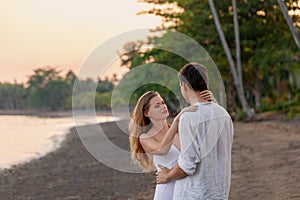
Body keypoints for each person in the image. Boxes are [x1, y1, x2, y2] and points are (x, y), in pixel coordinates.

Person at [156, 62, 234, 200]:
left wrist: (167, 175)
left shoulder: (189, 117)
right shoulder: (224, 114)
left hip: (195, 194)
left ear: (184, 86)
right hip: (219, 193)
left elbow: (187, 166)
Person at [129, 90, 214, 200]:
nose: (163, 107)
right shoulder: (145, 137)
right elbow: (162, 149)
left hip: (188, 189)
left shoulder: (180, 129)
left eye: (163, 103)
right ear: (147, 113)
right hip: (166, 192)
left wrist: (211, 103)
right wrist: (176, 120)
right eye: (157, 106)